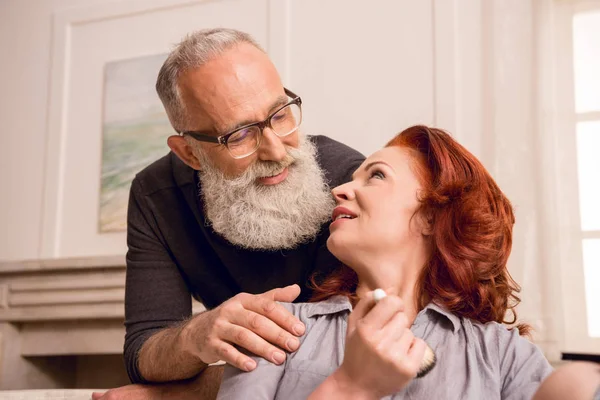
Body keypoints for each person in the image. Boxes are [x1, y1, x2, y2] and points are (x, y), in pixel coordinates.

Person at [92, 28, 364, 400]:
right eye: (239, 136)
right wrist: (195, 335)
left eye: (280, 115)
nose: (275, 150)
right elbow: (143, 351)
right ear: (189, 154)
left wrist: (177, 395)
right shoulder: (154, 195)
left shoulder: (352, 180)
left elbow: (357, 355)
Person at [216, 125, 554, 399]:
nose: (340, 190)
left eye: (376, 175)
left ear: (432, 218)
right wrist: (350, 387)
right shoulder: (273, 329)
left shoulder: (506, 355)